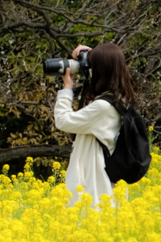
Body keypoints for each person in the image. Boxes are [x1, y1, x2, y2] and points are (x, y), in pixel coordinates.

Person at [54, 42, 135, 207]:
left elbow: (63, 120)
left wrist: (67, 88)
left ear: (101, 71)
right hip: (105, 173)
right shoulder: (119, 98)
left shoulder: (103, 107)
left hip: (94, 178)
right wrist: (85, 56)